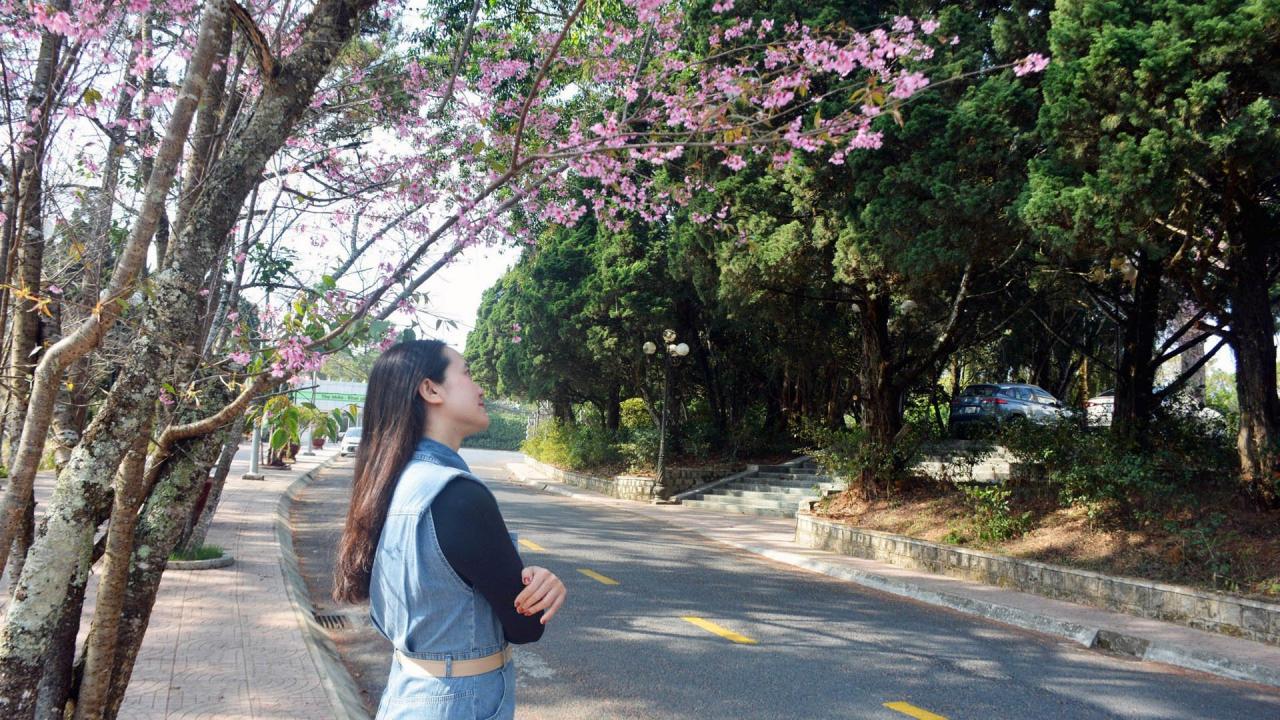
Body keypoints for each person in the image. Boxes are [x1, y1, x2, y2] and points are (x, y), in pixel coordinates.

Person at [334, 339, 566, 719]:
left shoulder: (391, 484)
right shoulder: (457, 494)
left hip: (406, 694)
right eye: (467, 373)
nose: (480, 388)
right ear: (430, 390)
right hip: (459, 702)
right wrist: (544, 588)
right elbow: (525, 626)